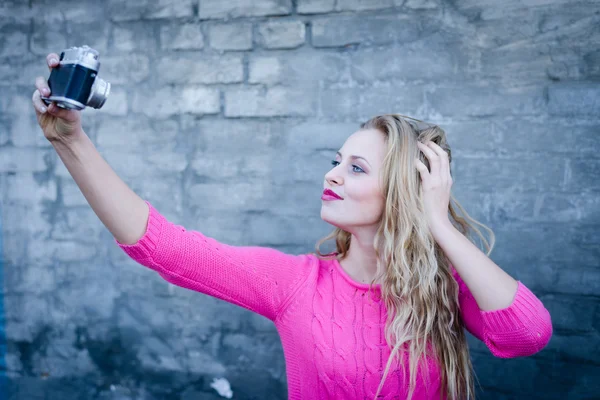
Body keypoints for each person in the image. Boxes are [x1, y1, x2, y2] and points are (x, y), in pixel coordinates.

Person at [32, 52, 553, 400]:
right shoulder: (296, 283)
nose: (331, 174)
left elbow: (528, 335)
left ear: (403, 190)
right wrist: (70, 142)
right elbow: (165, 249)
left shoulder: (445, 288)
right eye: (336, 160)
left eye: (356, 167)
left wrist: (437, 222)